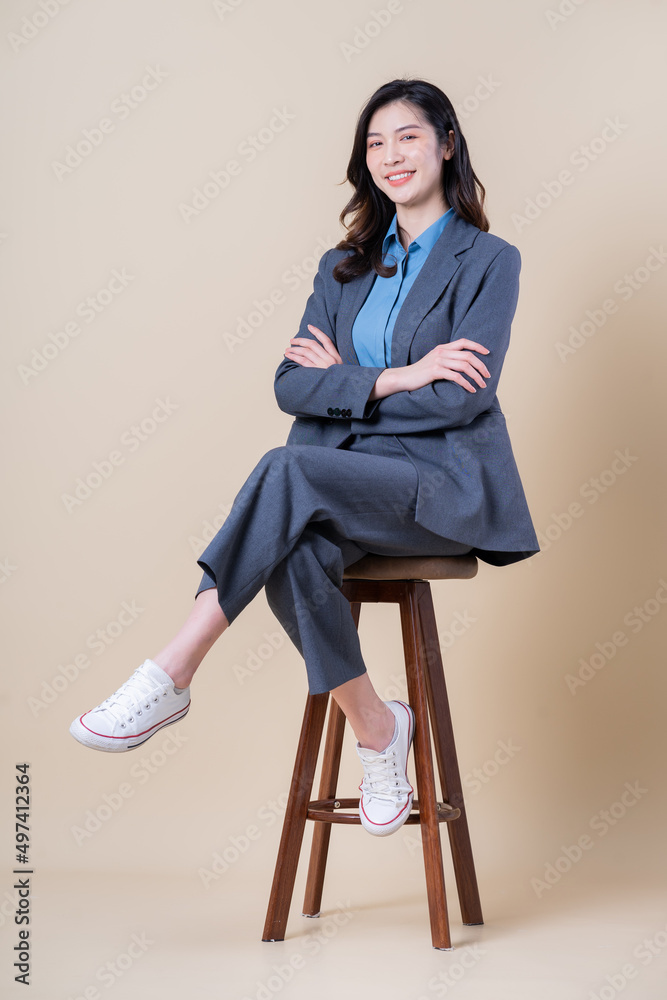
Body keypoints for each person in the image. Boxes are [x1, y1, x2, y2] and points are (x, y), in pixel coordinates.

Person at [69, 77, 539, 838]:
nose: (391, 155)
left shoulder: (489, 260)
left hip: (438, 493)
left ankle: (173, 670)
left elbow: (456, 400)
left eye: (408, 136)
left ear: (446, 144)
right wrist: (398, 376)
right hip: (341, 488)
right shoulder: (344, 265)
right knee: (291, 543)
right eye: (375, 142)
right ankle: (380, 732)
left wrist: (347, 387)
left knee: (287, 473)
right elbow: (291, 386)